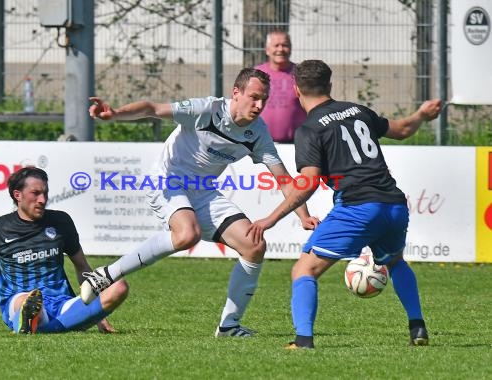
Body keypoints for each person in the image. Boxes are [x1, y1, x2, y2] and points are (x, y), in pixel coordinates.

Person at [83, 68, 320, 337]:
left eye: (264, 99)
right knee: (187, 234)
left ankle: (229, 326)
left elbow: (284, 180)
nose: (259, 105)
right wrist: (115, 114)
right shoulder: (206, 109)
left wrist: (303, 215)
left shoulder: (258, 133)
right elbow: (152, 108)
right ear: (236, 93)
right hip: (167, 180)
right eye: (254, 97)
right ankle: (104, 275)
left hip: (204, 191)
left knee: (254, 245)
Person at [247, 60, 442, 349]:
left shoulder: (309, 129)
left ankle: (302, 341)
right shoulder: (358, 111)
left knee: (304, 271)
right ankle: (417, 327)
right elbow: (401, 130)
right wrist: (422, 115)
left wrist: (270, 218)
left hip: (358, 207)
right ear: (330, 85)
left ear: (296, 89)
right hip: (394, 204)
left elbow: (309, 181)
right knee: (396, 261)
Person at [0, 167, 129, 334]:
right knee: (30, 301)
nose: (42, 200)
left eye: (45, 193)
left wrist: (100, 318)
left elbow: (82, 267)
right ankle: (35, 320)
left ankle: (41, 327)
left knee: (119, 287)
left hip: (62, 303)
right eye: (35, 193)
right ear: (17, 195)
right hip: (18, 300)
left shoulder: (61, 221)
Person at [255, 30, 306, 143]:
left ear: (291, 48)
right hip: (259, 143)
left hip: (293, 145)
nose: (280, 49)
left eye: (285, 45)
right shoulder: (256, 73)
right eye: (276, 45)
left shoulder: (301, 73)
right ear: (267, 50)